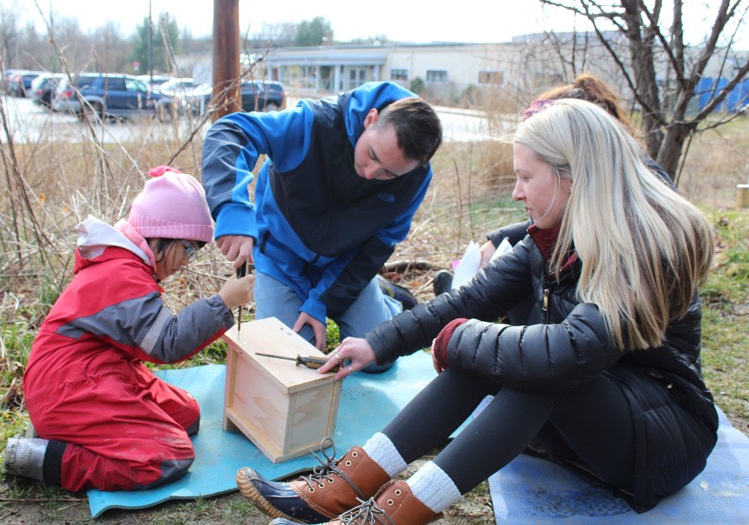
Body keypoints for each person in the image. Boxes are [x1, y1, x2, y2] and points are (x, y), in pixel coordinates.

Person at [235, 99, 718, 524]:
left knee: (539, 367)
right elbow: (467, 300)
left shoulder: (645, 245)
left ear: (573, 176)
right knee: (504, 354)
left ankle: (387, 517)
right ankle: (344, 487)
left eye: (526, 177)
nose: (515, 193)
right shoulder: (554, 235)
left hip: (660, 440)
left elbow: (574, 351)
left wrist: (459, 338)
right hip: (593, 421)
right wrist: (378, 341)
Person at [3, 166, 255, 492]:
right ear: (161, 235)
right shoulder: (122, 275)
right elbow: (167, 342)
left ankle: (65, 431)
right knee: (169, 456)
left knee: (187, 414)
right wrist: (222, 302)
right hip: (66, 386)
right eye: (188, 249)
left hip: (95, 370)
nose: (185, 262)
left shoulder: (126, 265)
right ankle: (43, 456)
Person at [201, 81, 442, 371]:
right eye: (372, 155)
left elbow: (379, 245)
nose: (369, 173)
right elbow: (232, 132)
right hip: (281, 259)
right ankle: (364, 296)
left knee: (378, 359)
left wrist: (323, 300)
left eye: (388, 173)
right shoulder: (313, 124)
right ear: (371, 119)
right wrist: (233, 207)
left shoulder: (414, 179)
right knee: (290, 360)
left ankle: (388, 301)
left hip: (343, 267)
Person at [433, 73, 674, 297]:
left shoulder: (634, 198)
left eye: (526, 177)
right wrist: (499, 239)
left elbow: (582, 332)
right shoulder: (604, 181)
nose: (516, 193)